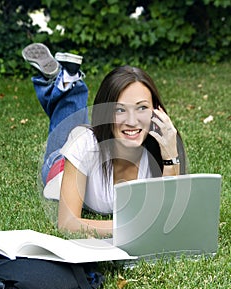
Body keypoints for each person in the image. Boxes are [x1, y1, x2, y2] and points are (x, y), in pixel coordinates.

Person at [23, 43, 186, 237]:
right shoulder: (84, 146)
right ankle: (68, 82)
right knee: (70, 121)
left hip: (99, 139)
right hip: (60, 166)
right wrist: (131, 227)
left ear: (156, 111)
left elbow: (167, 214)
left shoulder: (164, 147)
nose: (132, 121)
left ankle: (67, 79)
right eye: (120, 109)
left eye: (142, 108)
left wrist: (170, 156)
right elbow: (67, 223)